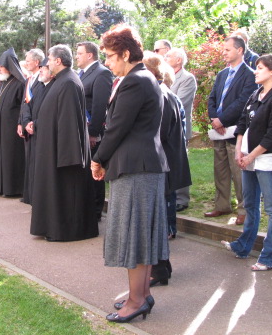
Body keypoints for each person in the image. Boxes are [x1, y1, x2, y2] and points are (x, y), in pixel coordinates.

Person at [91, 25, 169, 324]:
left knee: (136, 237)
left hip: (137, 169)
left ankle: (137, 300)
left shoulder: (135, 81)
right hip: (141, 167)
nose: (107, 62)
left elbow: (117, 128)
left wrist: (97, 160)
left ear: (125, 53)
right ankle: (141, 294)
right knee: (141, 237)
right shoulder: (139, 78)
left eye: (110, 56)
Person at [221, 54, 272, 271]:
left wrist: (251, 155)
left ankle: (269, 257)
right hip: (249, 159)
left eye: (260, 68)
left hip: (267, 160)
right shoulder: (256, 93)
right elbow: (242, 122)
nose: (255, 71)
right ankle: (243, 247)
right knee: (250, 204)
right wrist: (239, 151)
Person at [30, 45, 99, 241]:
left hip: (62, 153)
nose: (47, 63)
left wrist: (67, 156)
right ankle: (51, 227)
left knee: (66, 194)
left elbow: (69, 122)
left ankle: (65, 229)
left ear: (58, 61)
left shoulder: (68, 82)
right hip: (52, 148)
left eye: (49, 60)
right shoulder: (60, 81)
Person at [143, 51, 191, 285]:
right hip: (163, 165)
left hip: (160, 166)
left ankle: (159, 269)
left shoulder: (160, 95)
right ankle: (161, 268)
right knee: (157, 219)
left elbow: (157, 136)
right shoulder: (164, 93)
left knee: (156, 220)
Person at [205, 35, 257, 225]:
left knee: (239, 173)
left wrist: (222, 120)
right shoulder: (222, 74)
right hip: (218, 131)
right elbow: (212, 98)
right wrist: (214, 119)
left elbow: (243, 101)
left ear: (240, 50)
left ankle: (244, 208)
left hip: (235, 132)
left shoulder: (250, 75)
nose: (224, 52)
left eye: (227, 49)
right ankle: (222, 205)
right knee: (220, 170)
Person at [76, 41, 113, 219]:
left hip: (93, 133)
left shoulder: (102, 73)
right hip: (81, 131)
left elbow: (99, 106)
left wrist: (94, 133)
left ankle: (96, 211)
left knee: (95, 172)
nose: (76, 56)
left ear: (89, 55)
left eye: (79, 53)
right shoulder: (81, 74)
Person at [0, 48, 26, 196]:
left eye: (1, 66)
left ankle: (12, 188)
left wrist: (19, 123)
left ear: (10, 66)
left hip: (11, 129)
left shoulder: (20, 83)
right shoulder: (4, 82)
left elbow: (23, 106)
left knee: (11, 157)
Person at [164, 47, 197, 211]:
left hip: (180, 128)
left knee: (180, 161)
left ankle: (182, 199)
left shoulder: (187, 78)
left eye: (168, 56)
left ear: (178, 60)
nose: (165, 57)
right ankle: (170, 195)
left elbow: (180, 103)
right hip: (166, 127)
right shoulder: (164, 77)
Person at [23, 58, 54, 205]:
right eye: (40, 67)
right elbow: (29, 105)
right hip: (34, 130)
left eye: (44, 68)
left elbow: (49, 113)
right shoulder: (39, 86)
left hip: (45, 133)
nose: (41, 70)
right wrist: (26, 122)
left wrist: (34, 123)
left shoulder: (54, 87)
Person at [17, 48, 45, 203]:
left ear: (37, 62)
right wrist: (22, 122)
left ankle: (36, 196)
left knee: (36, 162)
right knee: (29, 160)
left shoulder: (43, 79)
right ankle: (28, 194)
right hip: (27, 124)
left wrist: (32, 122)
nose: (26, 63)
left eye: (28, 61)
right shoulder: (29, 80)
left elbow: (39, 103)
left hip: (37, 125)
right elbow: (24, 103)